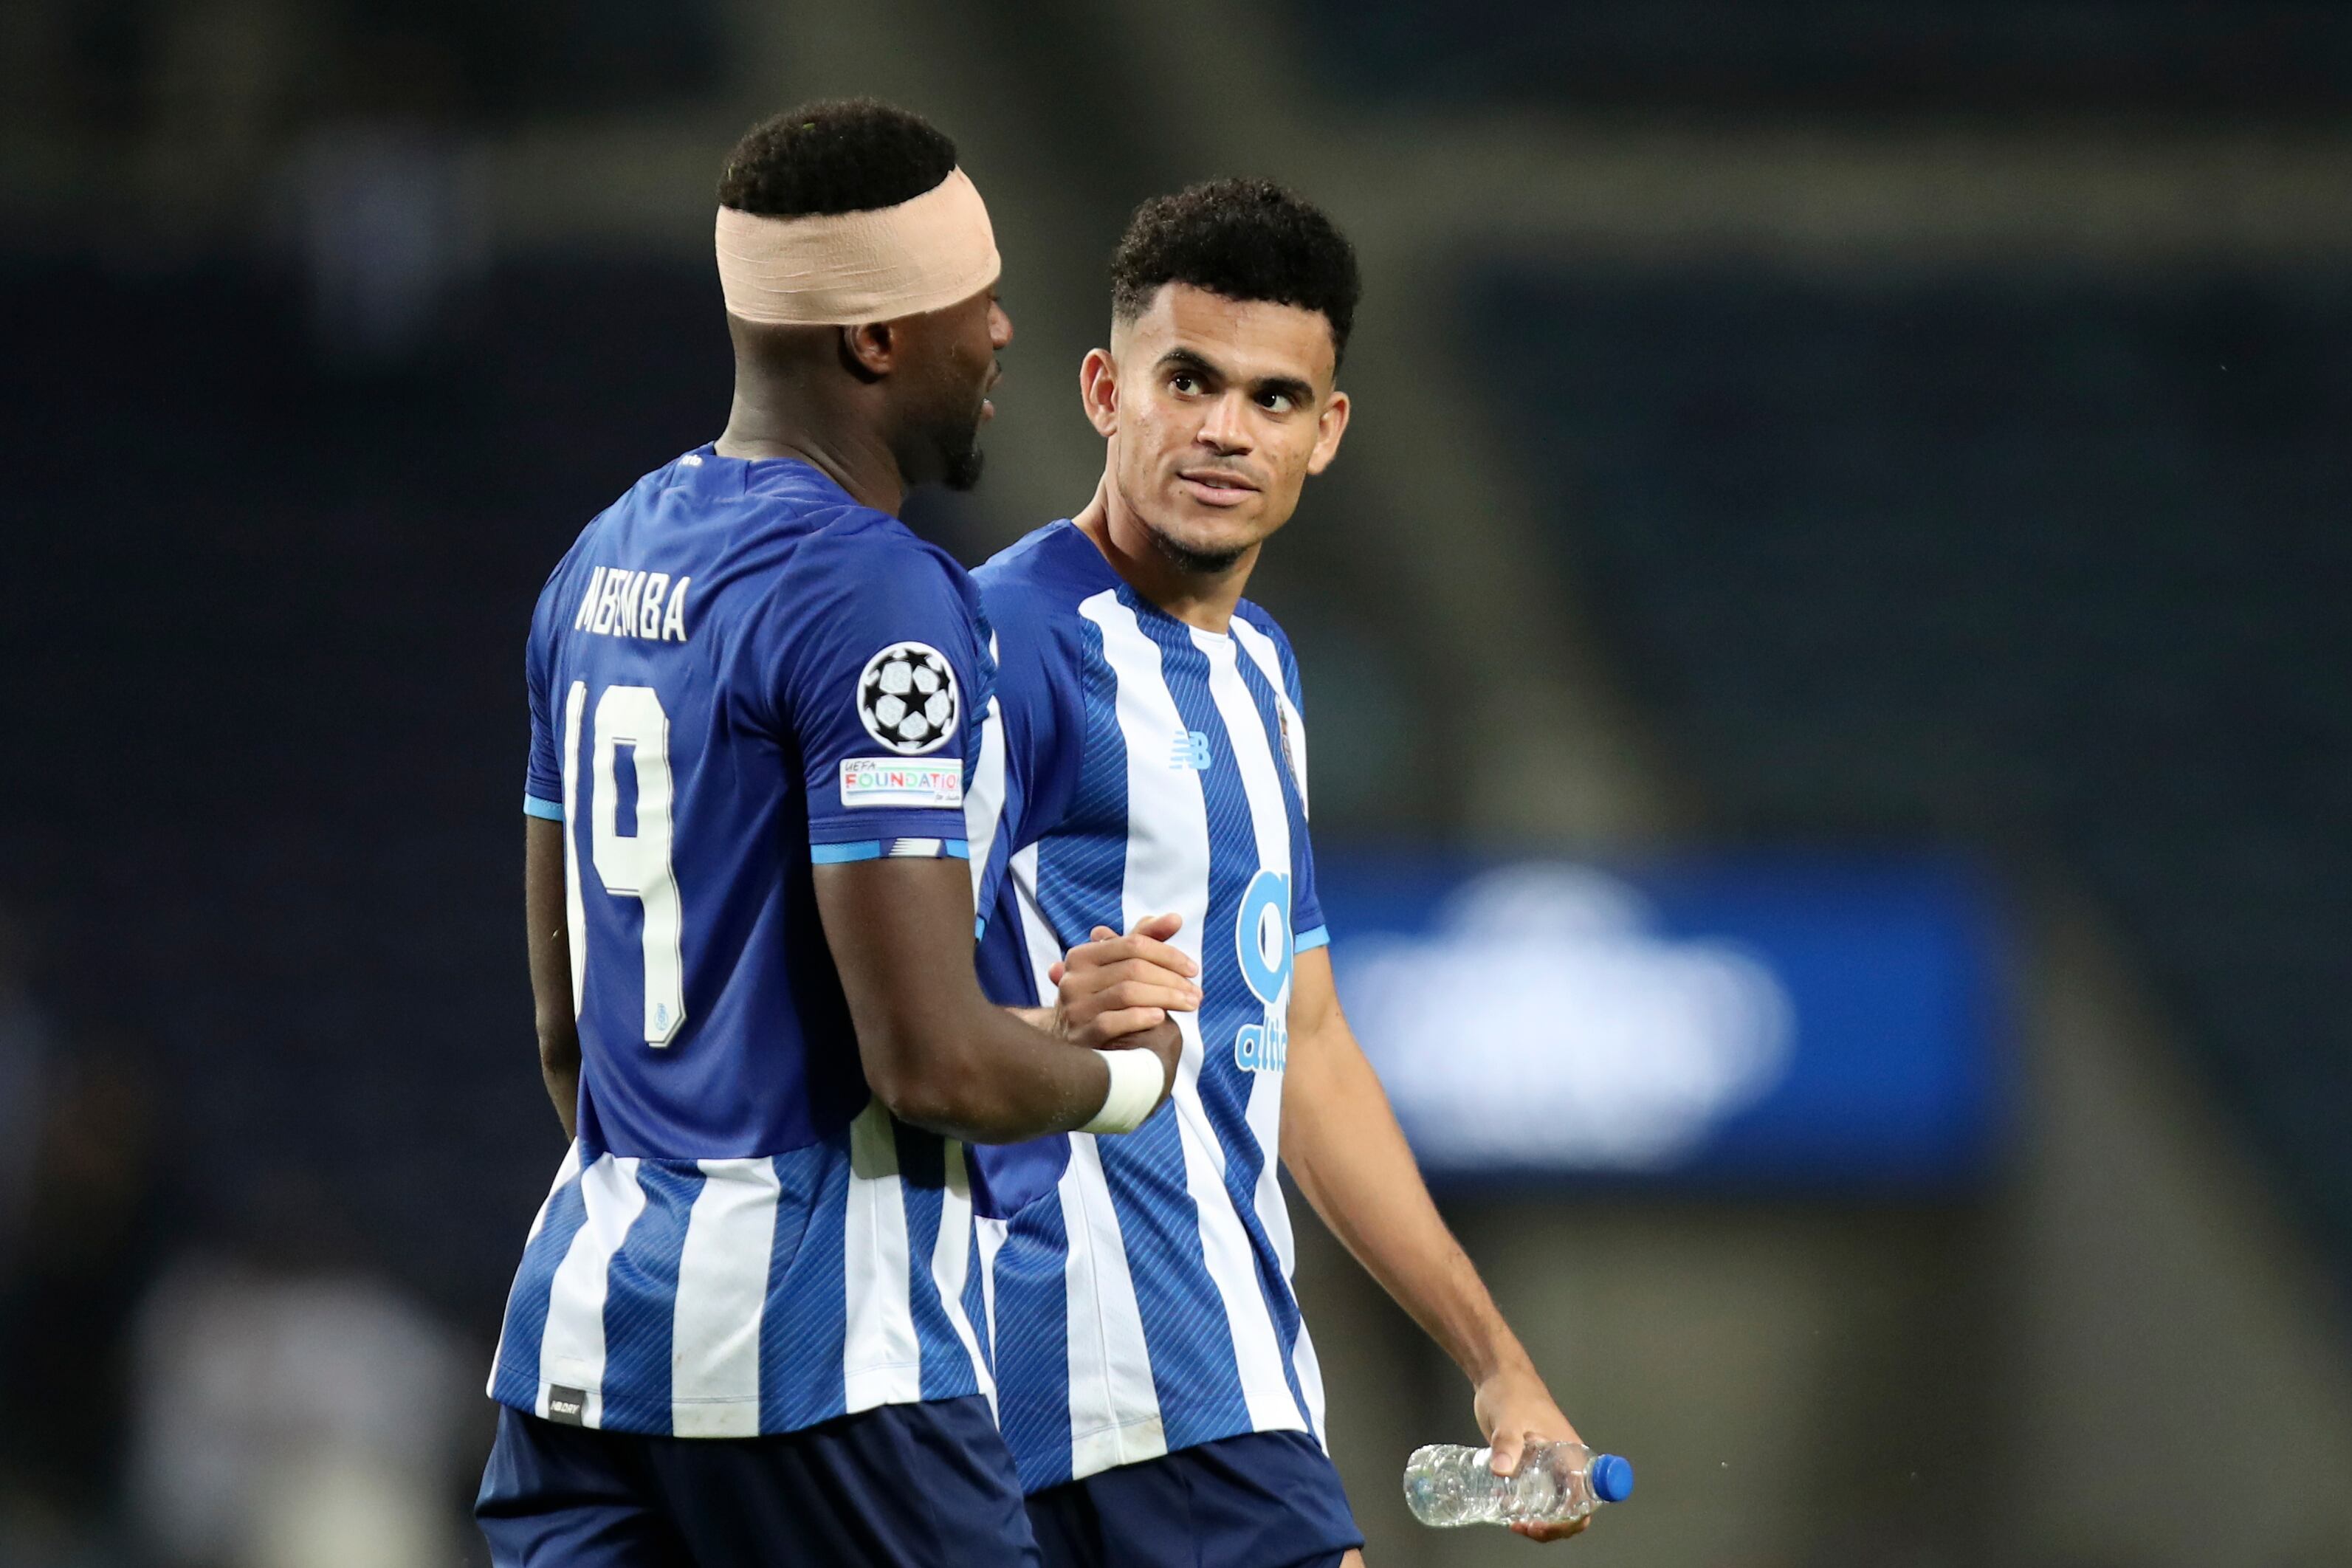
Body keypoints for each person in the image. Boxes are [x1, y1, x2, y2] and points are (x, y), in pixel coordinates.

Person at [474, 99, 1194, 1568]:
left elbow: (572, 1039)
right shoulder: (873, 589)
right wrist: (1124, 1073)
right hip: (815, 1370)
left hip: (579, 1354)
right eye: (972, 304)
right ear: (876, 341)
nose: (1000, 335)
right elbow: (925, 1063)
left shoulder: (596, 564)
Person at [968, 179, 1595, 1567]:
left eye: (1270, 399)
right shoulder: (1001, 647)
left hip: (1209, 1380)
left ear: (1328, 433)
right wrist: (1039, 1028)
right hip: (1106, 1379)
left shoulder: (1260, 672)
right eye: (1186, 380)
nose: (1221, 432)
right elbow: (840, 1000)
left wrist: (1494, 1362)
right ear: (1102, 389)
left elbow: (1301, 1043)